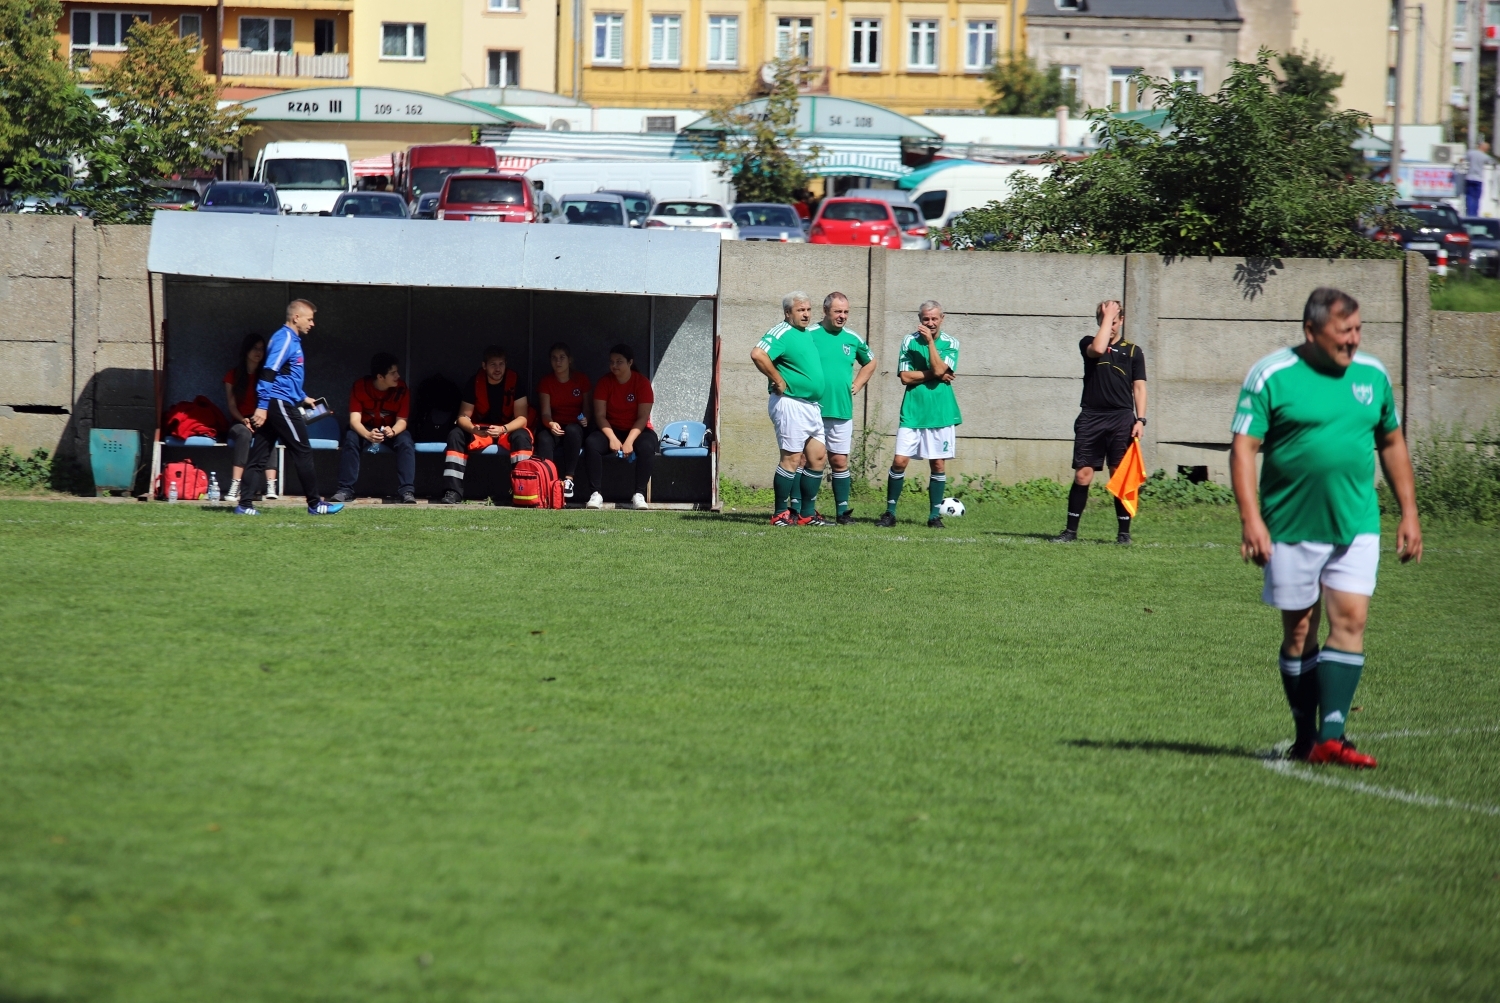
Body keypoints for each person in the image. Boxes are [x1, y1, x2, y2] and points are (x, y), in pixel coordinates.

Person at [1231, 287, 1422, 768]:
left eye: (1358, 330)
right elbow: (1243, 449)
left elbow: (1393, 443)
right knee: (1299, 633)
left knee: (1352, 621)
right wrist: (1251, 520)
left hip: (1356, 521)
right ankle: (1304, 737)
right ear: (1311, 331)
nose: (1354, 341)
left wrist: (1409, 511)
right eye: (1344, 331)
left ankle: (1332, 737)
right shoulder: (1272, 374)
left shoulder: (1372, 376)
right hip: (1290, 526)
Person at [1052, 300, 1147, 545]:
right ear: (1099, 321)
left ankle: (1123, 534)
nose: (1111, 326)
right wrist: (1107, 318)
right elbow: (1099, 347)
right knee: (1083, 475)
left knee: (1119, 475)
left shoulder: (1134, 352)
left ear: (1122, 321)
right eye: (1107, 321)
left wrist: (1141, 419)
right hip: (1091, 417)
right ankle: (1070, 532)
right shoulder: (1088, 342)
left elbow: (1139, 387)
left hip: (1121, 419)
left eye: (1115, 321)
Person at [238, 299, 342, 516]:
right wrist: (263, 406)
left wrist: (303, 398)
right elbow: (268, 372)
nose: (312, 324)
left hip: (282, 401)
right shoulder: (285, 338)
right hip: (279, 404)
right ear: (296, 317)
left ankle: (244, 505)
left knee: (259, 455)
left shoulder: (290, 339)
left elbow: (286, 375)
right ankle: (315, 504)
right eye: (310, 319)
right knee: (302, 450)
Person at [879, 301, 961, 530]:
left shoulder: (952, 343)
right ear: (920, 319)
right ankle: (890, 512)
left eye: (934, 319)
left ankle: (935, 516)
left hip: (940, 413)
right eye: (926, 319)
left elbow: (939, 369)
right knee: (899, 461)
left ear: (942, 318)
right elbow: (905, 377)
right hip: (913, 411)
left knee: (937, 464)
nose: (930, 323)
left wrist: (931, 345)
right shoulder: (909, 340)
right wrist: (936, 374)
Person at [751, 291, 828, 526]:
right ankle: (779, 513)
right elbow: (758, 354)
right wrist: (778, 379)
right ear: (788, 313)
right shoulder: (781, 331)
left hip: (811, 406)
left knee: (817, 457)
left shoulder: (806, 333)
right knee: (792, 459)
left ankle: (806, 514)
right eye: (800, 310)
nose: (806, 314)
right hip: (791, 403)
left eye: (808, 309)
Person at [439, 345, 532, 505]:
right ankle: (452, 492)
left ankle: (522, 491)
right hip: (481, 431)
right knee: (456, 434)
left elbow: (522, 418)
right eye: (493, 364)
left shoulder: (515, 381)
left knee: (522, 436)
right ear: (484, 366)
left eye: (501, 364)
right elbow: (462, 417)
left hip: (507, 430)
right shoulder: (475, 381)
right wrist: (473, 429)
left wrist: (503, 429)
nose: (498, 369)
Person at [811, 292, 875, 524]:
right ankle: (800, 509)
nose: (842, 316)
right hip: (812, 409)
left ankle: (842, 512)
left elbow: (871, 361)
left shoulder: (852, 338)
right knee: (805, 461)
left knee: (839, 461)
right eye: (838, 311)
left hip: (841, 410)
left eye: (846, 312)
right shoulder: (809, 334)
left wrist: (858, 383)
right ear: (825, 311)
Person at [331, 352, 415, 504]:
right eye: (393, 373)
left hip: (391, 429)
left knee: (406, 441)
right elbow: (354, 421)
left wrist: (393, 430)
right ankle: (345, 490)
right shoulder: (360, 386)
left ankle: (407, 491)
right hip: (365, 429)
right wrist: (368, 435)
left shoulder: (401, 388)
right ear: (380, 377)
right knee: (351, 438)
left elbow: (402, 421)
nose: (398, 376)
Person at [582, 344, 656, 510]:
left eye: (619, 362)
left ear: (630, 362)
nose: (614, 366)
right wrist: (613, 438)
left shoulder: (642, 383)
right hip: (611, 429)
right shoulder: (604, 382)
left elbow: (643, 417)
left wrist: (629, 441)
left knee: (647, 445)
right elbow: (600, 416)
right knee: (592, 443)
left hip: (638, 430)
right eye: (611, 362)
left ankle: (639, 494)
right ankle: (595, 494)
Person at [222, 333, 277, 504]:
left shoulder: (266, 375)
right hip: (239, 421)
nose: (258, 352)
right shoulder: (233, 375)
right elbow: (231, 406)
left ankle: (271, 485)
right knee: (244, 434)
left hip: (261, 419)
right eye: (255, 348)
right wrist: (243, 420)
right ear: (246, 350)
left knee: (269, 433)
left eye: (261, 349)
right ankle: (235, 485)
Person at [534, 341, 591, 501]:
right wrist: (550, 423)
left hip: (576, 427)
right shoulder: (546, 381)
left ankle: (568, 480)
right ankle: (548, 481)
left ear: (570, 360)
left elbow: (587, 409)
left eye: (562, 358)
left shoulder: (581, 379)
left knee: (573, 431)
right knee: (544, 438)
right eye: (554, 358)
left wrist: (585, 419)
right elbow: (545, 413)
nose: (558, 362)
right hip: (555, 425)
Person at [1465, 140, 1492, 218]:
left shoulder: (1470, 153)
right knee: (1476, 198)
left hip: (1469, 177)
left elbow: (1463, 159)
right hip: (1478, 179)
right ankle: (1475, 215)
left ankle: (1469, 214)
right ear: (1484, 148)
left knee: (1469, 197)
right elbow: (1492, 162)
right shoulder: (1485, 156)